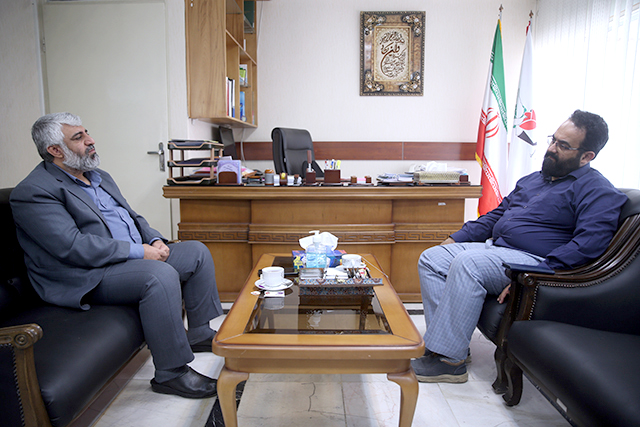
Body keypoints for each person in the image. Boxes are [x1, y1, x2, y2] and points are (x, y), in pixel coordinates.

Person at [10, 112, 224, 399]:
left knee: (196, 252)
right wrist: (140, 252)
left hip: (125, 259)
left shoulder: (99, 177)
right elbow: (72, 246)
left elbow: (132, 217)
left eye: (87, 132)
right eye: (79, 137)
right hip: (86, 274)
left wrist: (154, 239)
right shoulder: (34, 191)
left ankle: (198, 334)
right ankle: (171, 374)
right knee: (159, 275)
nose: (90, 140)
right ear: (55, 150)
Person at [411, 110, 627, 383]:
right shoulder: (534, 180)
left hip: (532, 260)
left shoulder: (597, 190)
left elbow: (588, 244)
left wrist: (533, 274)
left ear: (587, 156)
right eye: (553, 139)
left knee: (467, 264)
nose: (551, 148)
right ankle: (448, 346)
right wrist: (457, 237)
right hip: (495, 250)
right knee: (432, 258)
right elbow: (496, 215)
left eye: (563, 145)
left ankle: (449, 362)